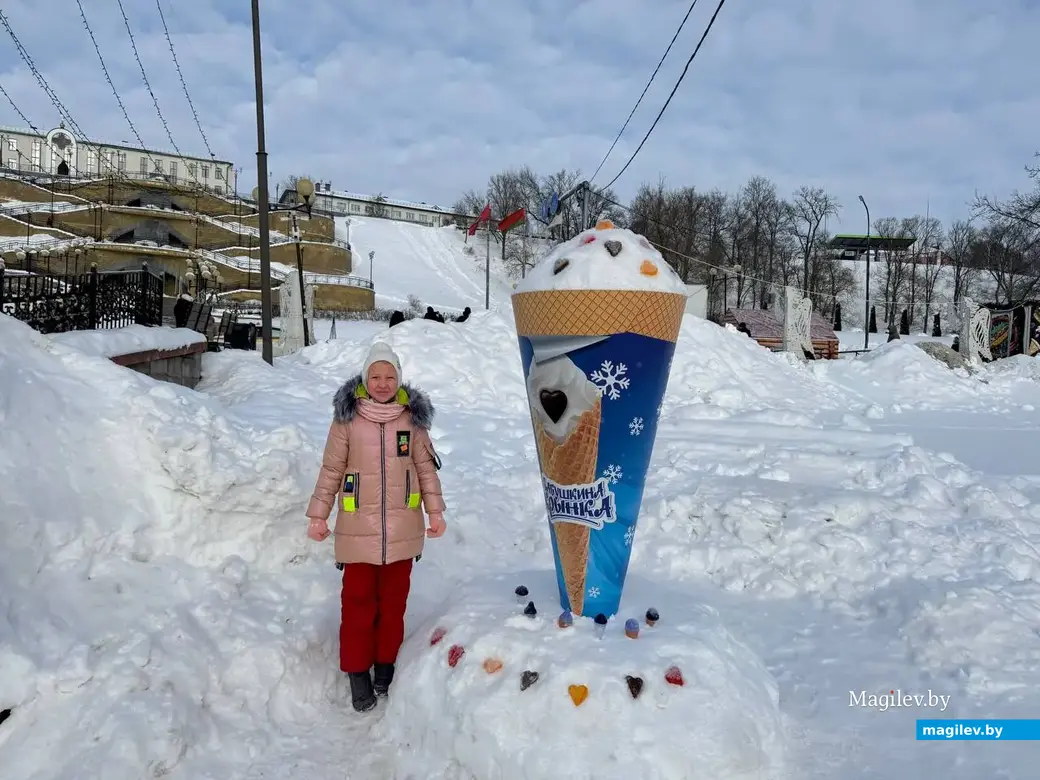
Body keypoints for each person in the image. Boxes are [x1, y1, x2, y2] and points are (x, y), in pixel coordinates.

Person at [305, 342, 447, 712]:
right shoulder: (346, 420)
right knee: (357, 605)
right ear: (365, 379)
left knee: (393, 604)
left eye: (390, 376)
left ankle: (385, 666)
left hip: (402, 530)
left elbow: (426, 469)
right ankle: (357, 672)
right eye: (375, 376)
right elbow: (331, 470)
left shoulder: (411, 419)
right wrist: (318, 515)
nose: (383, 383)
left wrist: (435, 511)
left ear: (398, 378)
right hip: (356, 529)